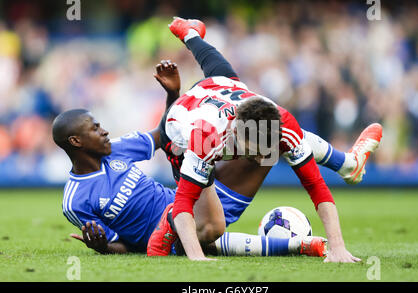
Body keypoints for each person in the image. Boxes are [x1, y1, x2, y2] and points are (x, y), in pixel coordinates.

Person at [147, 17, 382, 263]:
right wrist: (197, 258)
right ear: (236, 134)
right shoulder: (204, 137)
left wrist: (337, 248)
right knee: (211, 228)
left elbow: (316, 186)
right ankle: (168, 219)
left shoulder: (282, 122)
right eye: (255, 151)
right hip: (178, 128)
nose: (262, 158)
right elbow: (185, 199)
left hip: (223, 87)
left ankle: (191, 34)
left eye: (266, 148)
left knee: (227, 75)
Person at [54, 61, 326, 258]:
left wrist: (173, 94)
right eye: (94, 128)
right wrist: (103, 248)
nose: (104, 131)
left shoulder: (117, 149)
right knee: (208, 234)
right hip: (182, 229)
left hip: (195, 198)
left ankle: (345, 161)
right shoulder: (76, 200)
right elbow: (126, 246)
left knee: (268, 141)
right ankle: (301, 245)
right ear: (76, 142)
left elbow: (164, 135)